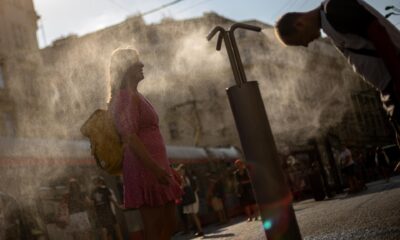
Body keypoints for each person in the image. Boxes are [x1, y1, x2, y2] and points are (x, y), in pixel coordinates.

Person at [275, 0, 400, 145]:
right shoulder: (329, 20)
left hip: (393, 82)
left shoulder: (333, 9)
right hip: (389, 85)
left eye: (299, 41)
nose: (306, 44)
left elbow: (377, 32)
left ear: (299, 24)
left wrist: (397, 79)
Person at [108, 47, 182, 240]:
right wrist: (156, 169)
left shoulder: (136, 95)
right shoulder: (124, 97)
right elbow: (130, 137)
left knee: (170, 223)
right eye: (136, 62)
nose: (142, 64)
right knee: (155, 228)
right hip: (145, 168)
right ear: (124, 68)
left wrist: (165, 167)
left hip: (156, 166)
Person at [175, 165, 204, 237]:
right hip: (193, 196)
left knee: (193, 215)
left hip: (189, 197)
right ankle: (198, 229)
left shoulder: (183, 178)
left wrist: (179, 188)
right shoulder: (190, 177)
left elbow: (183, 187)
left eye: (180, 171)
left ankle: (200, 230)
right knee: (193, 214)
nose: (179, 172)